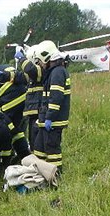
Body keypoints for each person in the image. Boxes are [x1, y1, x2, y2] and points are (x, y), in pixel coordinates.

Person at [33, 40, 71, 172]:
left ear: (46, 57)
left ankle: (56, 175)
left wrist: (50, 117)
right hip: (47, 119)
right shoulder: (54, 72)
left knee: (52, 149)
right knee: (39, 148)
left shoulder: (58, 72)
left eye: (40, 61)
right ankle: (40, 173)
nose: (40, 65)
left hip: (54, 121)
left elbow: (55, 98)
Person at [15, 44, 44, 150]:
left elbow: (29, 69)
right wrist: (6, 75)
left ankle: (38, 162)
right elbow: (21, 77)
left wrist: (21, 58)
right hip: (32, 112)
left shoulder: (41, 70)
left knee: (36, 141)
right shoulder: (34, 73)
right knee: (32, 140)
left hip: (38, 111)